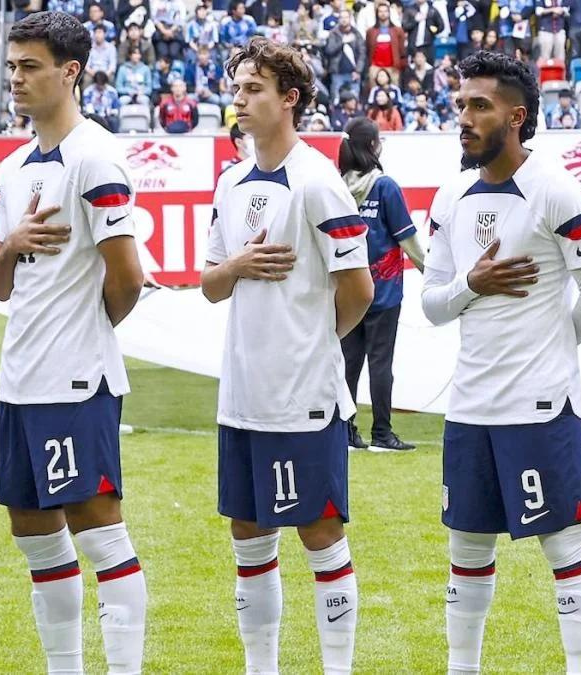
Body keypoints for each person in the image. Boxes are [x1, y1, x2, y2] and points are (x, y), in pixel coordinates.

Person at [422, 50, 581, 675]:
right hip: (471, 404)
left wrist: (549, 351)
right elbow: (431, 305)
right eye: (461, 105)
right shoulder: (450, 197)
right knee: (467, 547)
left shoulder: (557, 190)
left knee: (562, 545)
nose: (465, 118)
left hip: (539, 403)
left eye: (480, 106)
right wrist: (472, 285)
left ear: (517, 115)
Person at [200, 36, 374, 675]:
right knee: (248, 540)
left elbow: (359, 289)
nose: (239, 101)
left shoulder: (318, 183)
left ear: (290, 99)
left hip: (303, 398)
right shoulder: (230, 182)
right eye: (237, 89)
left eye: (253, 90)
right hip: (242, 396)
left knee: (320, 537)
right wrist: (241, 265)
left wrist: (313, 338)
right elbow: (210, 283)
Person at [0, 12, 148, 673]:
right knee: (34, 538)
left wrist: (83, 331)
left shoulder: (96, 156)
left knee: (102, 537)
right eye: (12, 67)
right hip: (18, 378)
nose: (16, 79)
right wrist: (10, 246)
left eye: (29, 66)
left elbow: (128, 279)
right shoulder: (16, 166)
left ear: (70, 72)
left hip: (76, 378)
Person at [337, 118, 424, 452]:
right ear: (372, 146)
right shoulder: (385, 187)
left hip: (346, 292)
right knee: (380, 363)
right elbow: (408, 239)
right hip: (384, 293)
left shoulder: (335, 187)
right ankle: (382, 434)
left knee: (348, 363)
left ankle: (345, 433)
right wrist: (433, 273)